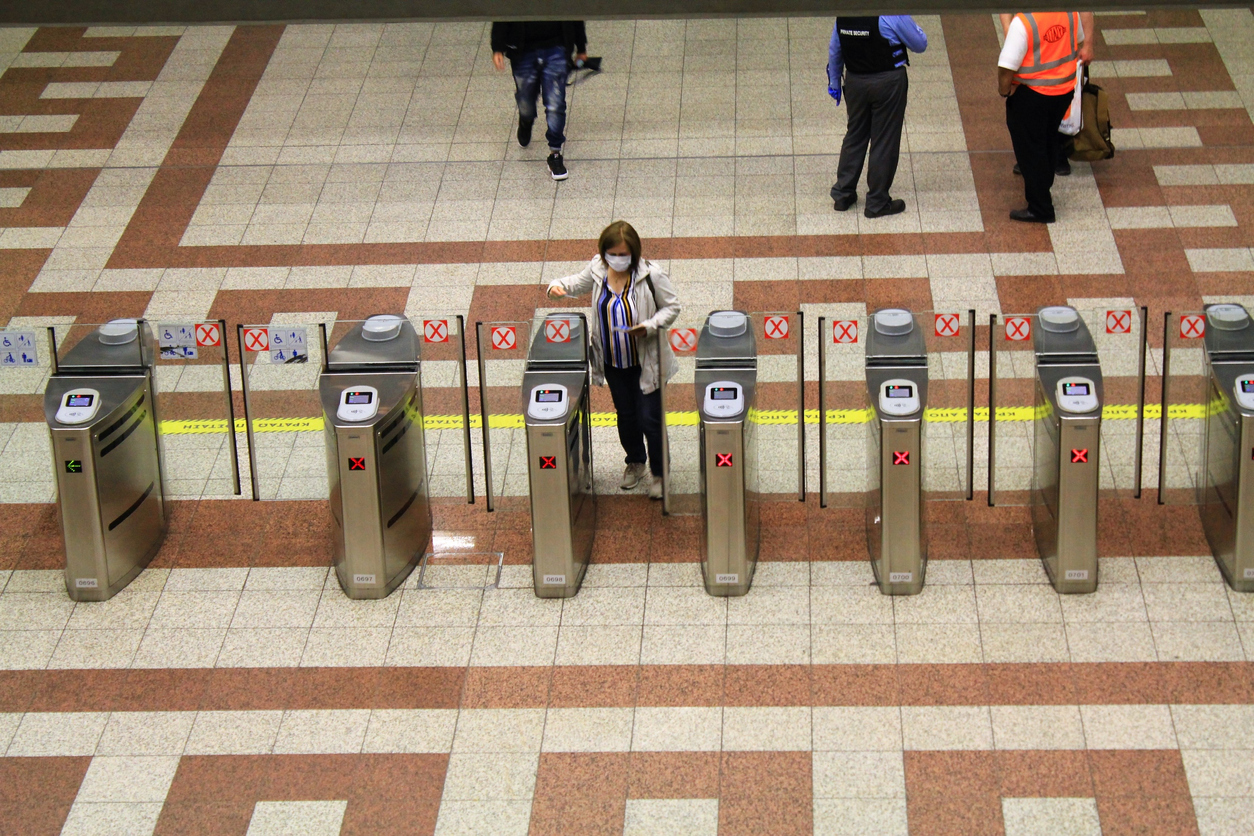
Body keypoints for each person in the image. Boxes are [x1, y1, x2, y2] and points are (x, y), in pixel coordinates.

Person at [546, 221, 681, 499]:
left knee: (650, 419)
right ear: (604, 252)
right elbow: (574, 284)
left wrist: (651, 325)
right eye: (613, 253)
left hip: (647, 362)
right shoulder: (597, 270)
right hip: (613, 362)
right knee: (626, 416)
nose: (618, 259)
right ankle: (635, 461)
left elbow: (672, 307)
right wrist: (556, 286)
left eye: (624, 254)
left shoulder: (651, 275)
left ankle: (660, 473)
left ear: (634, 252)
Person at [827, 15, 928, 219]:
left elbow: (835, 51)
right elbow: (920, 44)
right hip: (887, 82)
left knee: (854, 136)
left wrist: (834, 83)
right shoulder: (890, 14)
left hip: (855, 82)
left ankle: (843, 194)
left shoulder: (844, 16)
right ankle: (877, 202)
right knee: (884, 140)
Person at [998, 12, 1085, 223]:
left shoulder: (1024, 23)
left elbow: (1006, 66)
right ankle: (1043, 188)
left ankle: (1040, 207)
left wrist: (1004, 91)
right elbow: (1079, 41)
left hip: (1031, 95)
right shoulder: (1070, 13)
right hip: (1064, 91)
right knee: (1048, 141)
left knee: (1030, 149)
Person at [1001, 12, 1095, 177]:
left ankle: (1048, 161)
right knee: (1041, 125)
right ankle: (1037, 162)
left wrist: (1088, 44)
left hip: (1040, 81)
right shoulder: (1026, 23)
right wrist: (1012, 36)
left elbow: (1084, 9)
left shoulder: (1064, 15)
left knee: (1044, 124)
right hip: (1054, 76)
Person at [491, 21, 587, 181]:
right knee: (526, 100)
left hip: (557, 47)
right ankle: (526, 120)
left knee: (556, 104)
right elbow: (504, 12)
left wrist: (581, 47)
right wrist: (497, 47)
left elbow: (572, 11)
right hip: (522, 51)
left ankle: (555, 153)